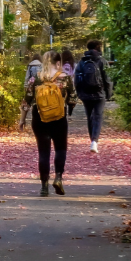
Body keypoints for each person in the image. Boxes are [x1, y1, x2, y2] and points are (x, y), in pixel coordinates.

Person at [25, 57, 77, 196]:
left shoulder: (35, 78)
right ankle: (58, 177)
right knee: (60, 149)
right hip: (59, 118)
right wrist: (69, 108)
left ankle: (44, 187)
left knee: (43, 152)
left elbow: (27, 100)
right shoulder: (65, 78)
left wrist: (22, 119)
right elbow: (73, 98)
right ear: (58, 63)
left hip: (39, 118)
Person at [74, 39, 113, 153]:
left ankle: (92, 139)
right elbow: (107, 79)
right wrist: (108, 94)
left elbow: (76, 80)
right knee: (98, 116)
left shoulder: (82, 62)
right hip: (99, 93)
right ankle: (94, 142)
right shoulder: (102, 61)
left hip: (85, 94)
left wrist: (79, 93)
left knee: (90, 116)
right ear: (98, 47)